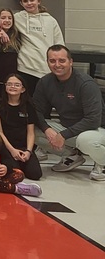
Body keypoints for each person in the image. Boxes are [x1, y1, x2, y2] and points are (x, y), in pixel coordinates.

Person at [32, 45, 105, 181]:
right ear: (47, 62)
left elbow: (93, 120)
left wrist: (63, 135)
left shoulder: (86, 84)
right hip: (71, 129)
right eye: (52, 61)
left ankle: (102, 162)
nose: (57, 65)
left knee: (85, 140)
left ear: (71, 62)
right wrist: (47, 129)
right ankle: (72, 156)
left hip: (97, 130)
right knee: (32, 129)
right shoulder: (45, 82)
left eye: (62, 60)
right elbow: (35, 110)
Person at [14, 0, 64, 92]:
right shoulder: (17, 18)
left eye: (32, 0)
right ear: (21, 3)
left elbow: (59, 45)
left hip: (47, 70)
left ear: (38, 1)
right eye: (25, 1)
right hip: (25, 68)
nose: (29, 3)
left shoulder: (50, 20)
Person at [0, 74, 42, 180]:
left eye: (17, 85)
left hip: (23, 146)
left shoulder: (29, 106)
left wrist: (28, 151)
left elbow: (30, 132)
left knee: (35, 174)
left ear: (23, 89)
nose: (13, 87)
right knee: (14, 173)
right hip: (6, 147)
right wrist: (12, 150)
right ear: (5, 87)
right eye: (9, 84)